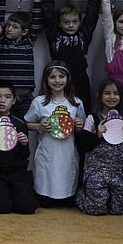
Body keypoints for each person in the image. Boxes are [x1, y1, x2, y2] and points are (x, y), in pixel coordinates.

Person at [25, 61, 86, 207]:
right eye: (52, 77)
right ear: (46, 80)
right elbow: (26, 124)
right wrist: (39, 126)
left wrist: (78, 126)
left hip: (68, 151)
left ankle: (66, 196)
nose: (57, 81)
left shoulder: (76, 103)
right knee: (46, 179)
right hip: (48, 151)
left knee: (67, 179)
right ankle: (44, 195)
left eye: (61, 77)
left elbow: (81, 127)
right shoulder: (39, 102)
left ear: (68, 78)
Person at [74, 78, 123, 215]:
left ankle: (109, 198)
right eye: (107, 93)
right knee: (95, 209)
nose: (112, 97)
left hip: (119, 172)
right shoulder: (92, 119)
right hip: (97, 172)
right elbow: (83, 147)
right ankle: (81, 194)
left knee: (121, 210)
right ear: (99, 95)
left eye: (116, 93)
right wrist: (97, 136)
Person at [0, 81, 36, 215]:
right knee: (1, 208)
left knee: (27, 208)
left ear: (14, 101)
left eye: (8, 97)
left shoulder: (19, 123)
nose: (2, 100)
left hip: (17, 170)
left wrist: (24, 144)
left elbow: (25, 155)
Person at [0, 0, 47, 118]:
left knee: (22, 131)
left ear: (24, 32)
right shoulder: (1, 40)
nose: (9, 29)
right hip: (3, 98)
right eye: (9, 25)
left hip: (25, 97)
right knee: (3, 132)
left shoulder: (28, 42)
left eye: (15, 27)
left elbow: (37, 19)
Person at [41, 0, 101, 105]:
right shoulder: (54, 34)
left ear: (79, 22)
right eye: (66, 22)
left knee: (82, 110)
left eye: (74, 22)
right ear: (59, 23)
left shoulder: (83, 34)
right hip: (57, 78)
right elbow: (48, 16)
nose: (70, 25)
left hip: (80, 79)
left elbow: (91, 16)